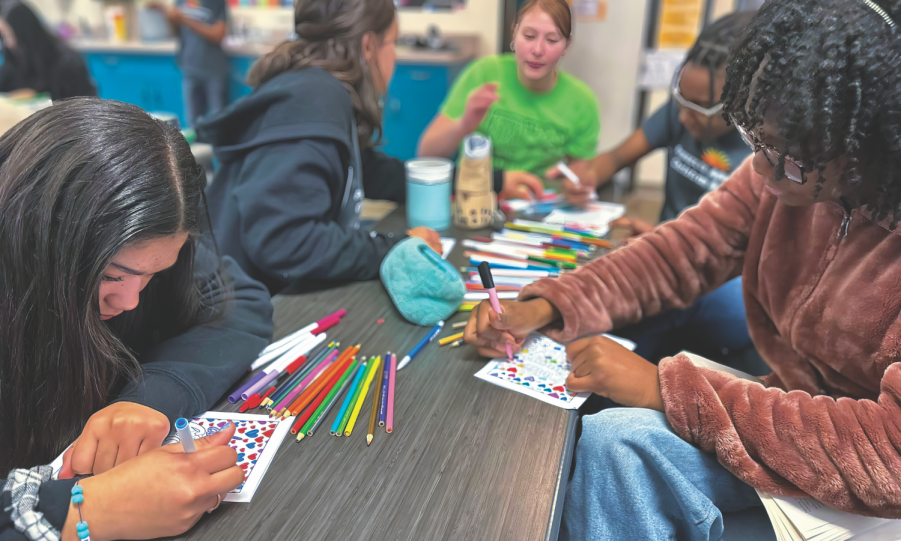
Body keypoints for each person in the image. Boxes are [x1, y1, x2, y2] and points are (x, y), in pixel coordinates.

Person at [465, 0, 901, 539]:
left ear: (870, 142)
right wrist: (550, 303)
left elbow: (891, 454)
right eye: (753, 139)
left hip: (862, 475)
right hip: (785, 408)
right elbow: (680, 250)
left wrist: (666, 390)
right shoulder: (784, 175)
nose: (761, 167)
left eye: (787, 155)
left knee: (617, 448)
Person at [0, 98, 273, 541]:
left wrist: (151, 395)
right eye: (112, 276)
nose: (129, 301)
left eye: (153, 276)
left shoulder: (146, 243)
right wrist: (86, 512)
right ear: (38, 236)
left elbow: (238, 298)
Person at [555, 12, 758, 365]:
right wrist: (588, 177)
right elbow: (616, 157)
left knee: (631, 305)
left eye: (698, 109)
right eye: (680, 100)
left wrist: (661, 242)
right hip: (669, 251)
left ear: (741, 107)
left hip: (728, 282)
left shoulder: (763, 155)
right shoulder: (686, 109)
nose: (682, 117)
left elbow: (752, 259)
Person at [201, 0, 442, 296]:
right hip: (241, 303)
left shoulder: (312, 86)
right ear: (368, 47)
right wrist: (394, 247)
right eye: (392, 42)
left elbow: (361, 167)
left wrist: (464, 183)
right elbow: (287, 242)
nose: (395, 55)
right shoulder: (314, 102)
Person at [417, 0, 599, 201]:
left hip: (537, 210)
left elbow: (577, 176)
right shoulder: (483, 74)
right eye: (529, 36)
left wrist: (577, 186)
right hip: (474, 203)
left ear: (567, 45)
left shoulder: (582, 101)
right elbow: (426, 155)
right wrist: (463, 124)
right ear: (514, 33)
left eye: (552, 40)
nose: (538, 50)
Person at [152, 0, 229, 127]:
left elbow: (218, 34)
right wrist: (170, 16)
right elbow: (176, 31)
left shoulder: (216, 2)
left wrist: (185, 19)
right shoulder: (181, 2)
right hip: (189, 67)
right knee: (192, 123)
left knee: (218, 121)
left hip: (214, 69)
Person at [0, 1, 96, 100]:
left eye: (10, 36)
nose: (8, 43)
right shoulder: (13, 61)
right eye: (4, 37)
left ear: (25, 32)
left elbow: (86, 105)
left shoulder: (68, 63)